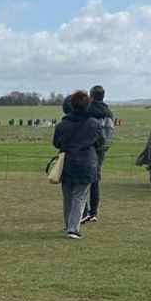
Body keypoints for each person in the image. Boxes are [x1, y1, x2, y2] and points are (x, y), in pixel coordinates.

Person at [53, 91, 104, 240]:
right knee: (80, 196)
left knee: (67, 196)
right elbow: (100, 142)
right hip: (87, 162)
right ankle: (73, 228)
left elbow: (56, 143)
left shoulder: (63, 124)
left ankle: (68, 224)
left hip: (67, 161)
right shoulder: (93, 123)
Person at [81, 85, 114, 223]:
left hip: (87, 148)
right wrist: (104, 147)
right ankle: (94, 212)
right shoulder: (108, 112)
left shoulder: (86, 110)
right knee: (95, 180)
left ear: (91, 96)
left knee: (82, 180)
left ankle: (84, 211)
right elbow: (110, 132)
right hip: (101, 149)